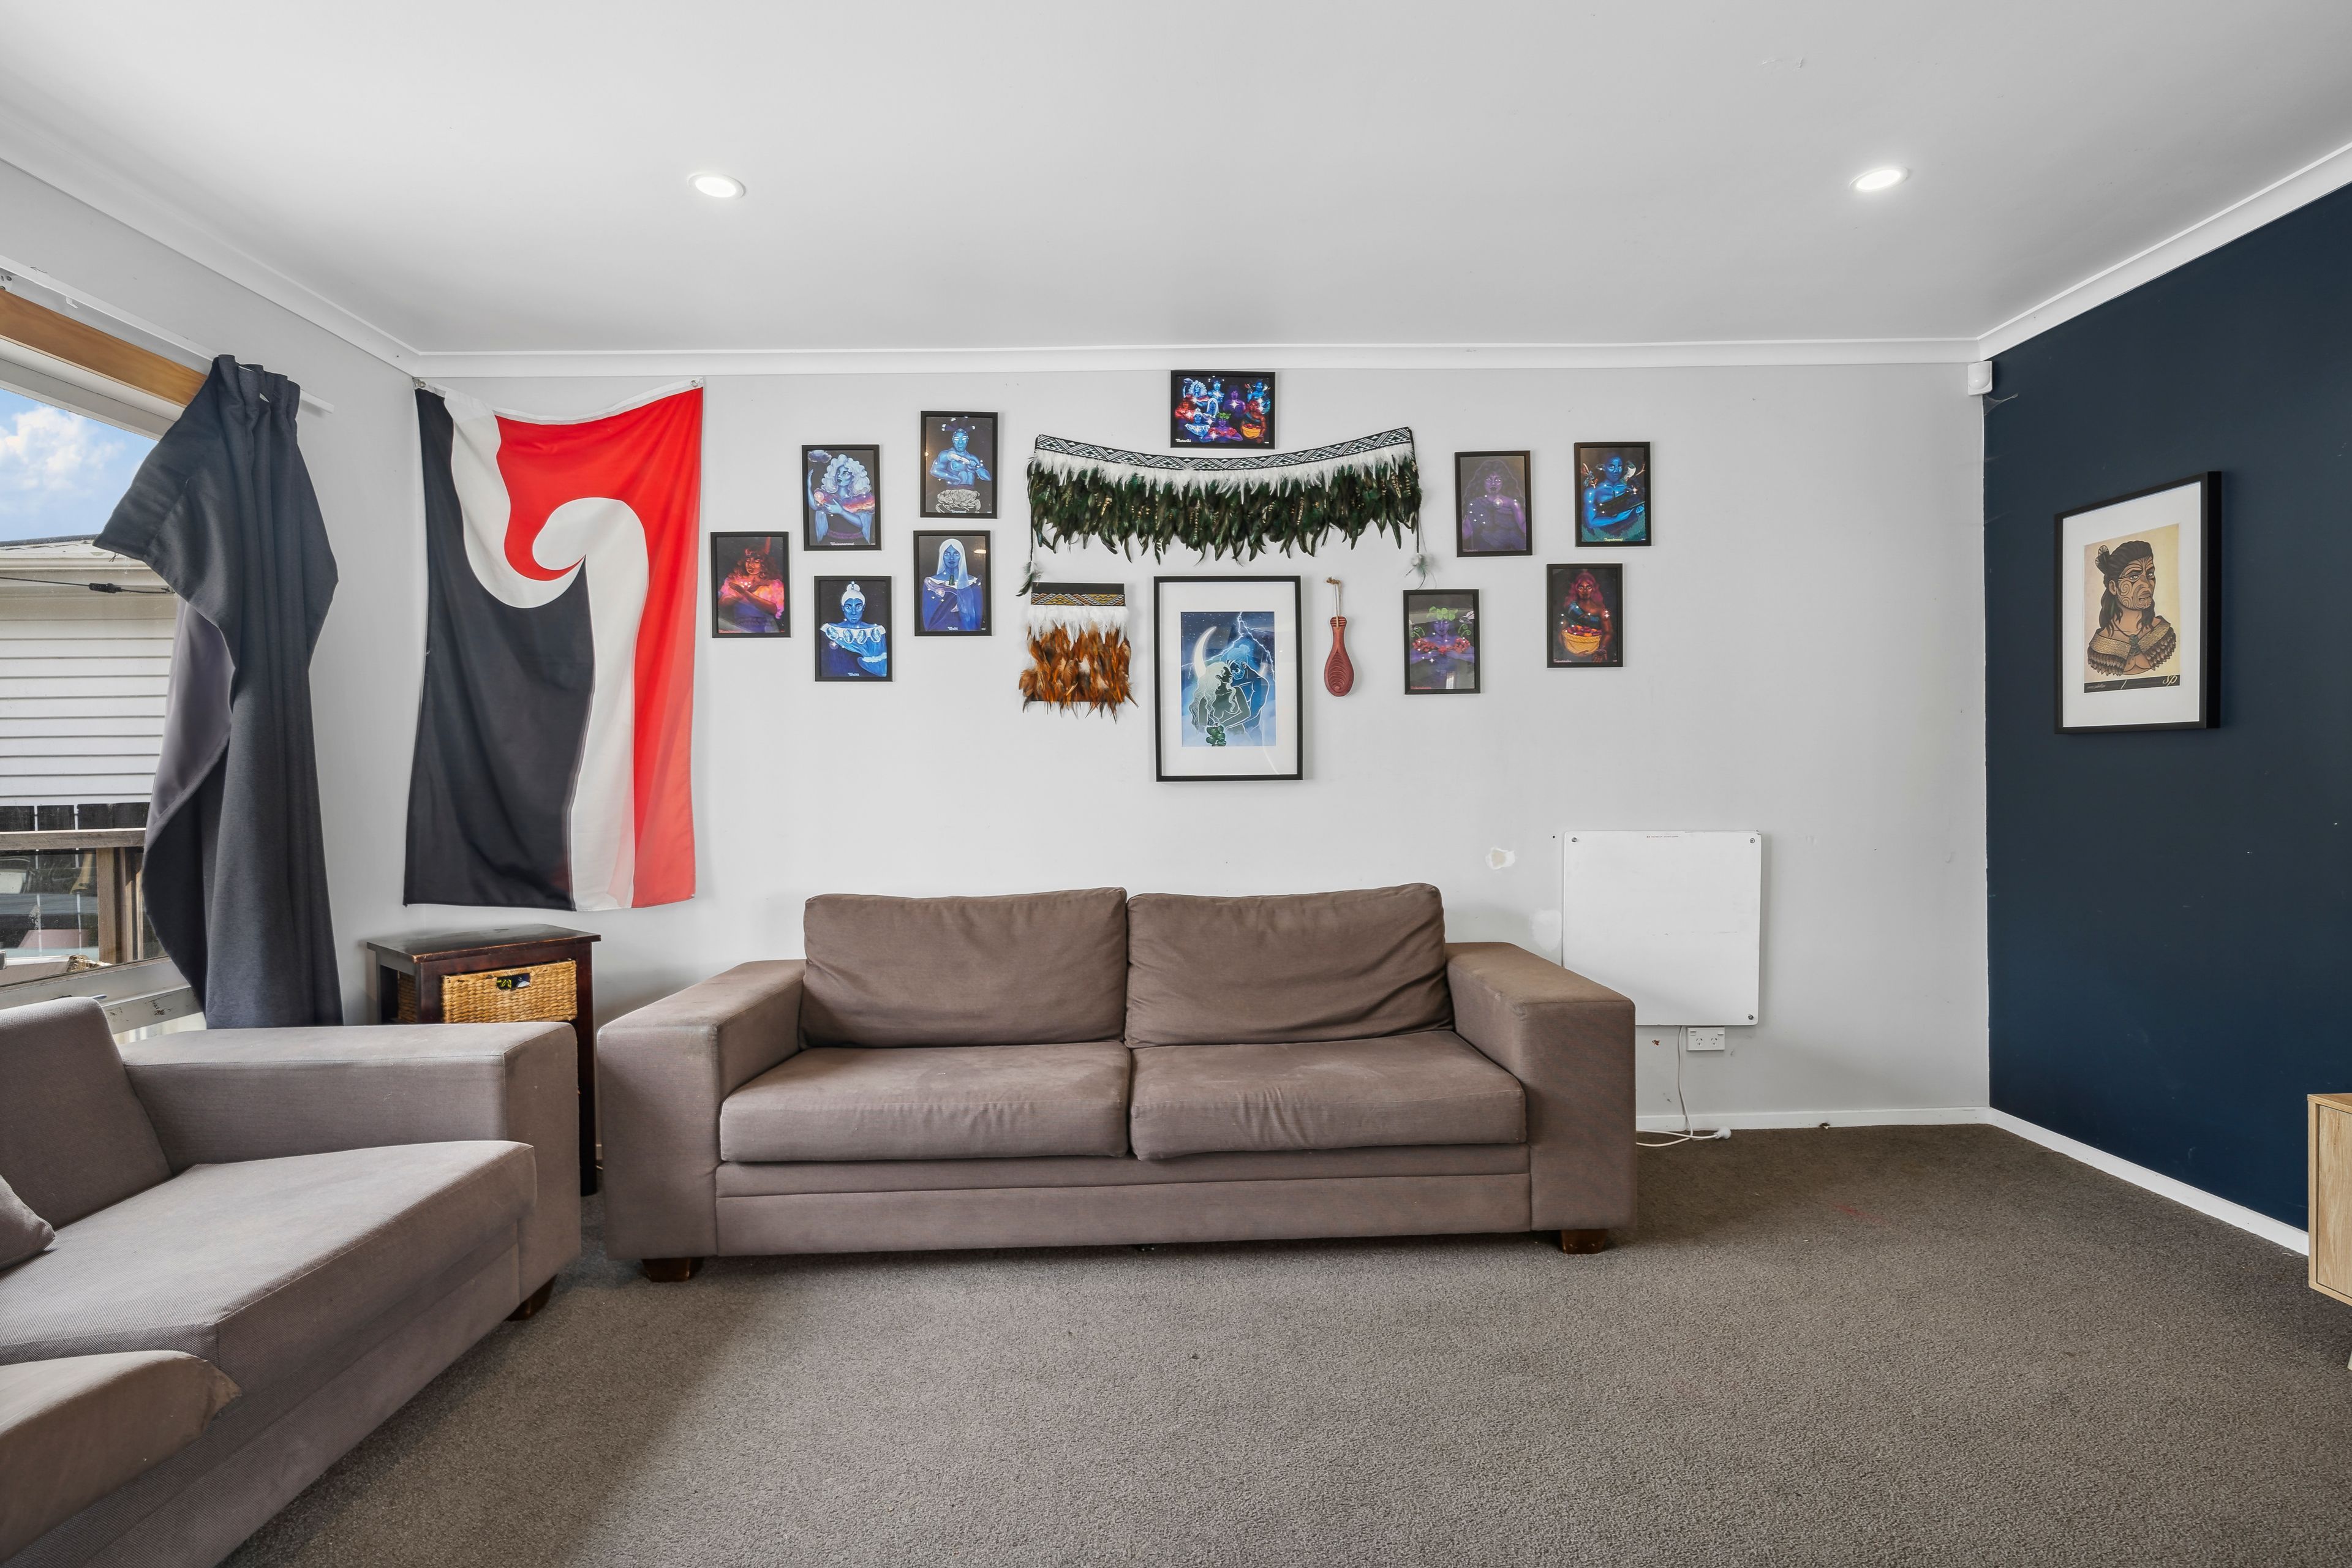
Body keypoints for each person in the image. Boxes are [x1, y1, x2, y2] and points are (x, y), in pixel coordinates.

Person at [2085, 539, 2176, 677]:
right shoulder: (2099, 647)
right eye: (2134, 576)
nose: (2147, 584)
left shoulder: (2164, 634)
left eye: (2150, 574)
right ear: (2114, 587)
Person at [818, 581, 888, 677]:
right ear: (843, 608)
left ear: (864, 607)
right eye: (848, 607)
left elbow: (883, 671)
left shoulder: (876, 631)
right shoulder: (829, 630)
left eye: (858, 606)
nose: (854, 612)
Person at [715, 543, 785, 633]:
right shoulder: (734, 581)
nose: (750, 565)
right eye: (748, 560)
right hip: (738, 630)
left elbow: (773, 610)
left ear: (764, 564)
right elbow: (722, 604)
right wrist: (743, 593)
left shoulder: (773, 585)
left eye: (756, 561)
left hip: (766, 631)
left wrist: (746, 594)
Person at [807, 451, 875, 545]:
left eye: (845, 474)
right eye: (838, 472)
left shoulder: (861, 499)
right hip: (830, 541)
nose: (839, 476)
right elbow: (815, 506)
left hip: (856, 542)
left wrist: (841, 511)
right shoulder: (828, 496)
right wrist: (808, 487)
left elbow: (861, 524)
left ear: (854, 478)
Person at [1581, 450, 1646, 541]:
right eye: (1612, 467)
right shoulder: (1592, 492)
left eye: (1619, 467)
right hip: (1600, 539)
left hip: (1631, 537)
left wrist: (1638, 511)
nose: (1616, 471)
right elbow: (1591, 523)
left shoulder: (1630, 487)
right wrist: (1616, 519)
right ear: (1604, 468)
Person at [921, 537, 983, 631]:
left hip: (967, 634)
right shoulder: (931, 583)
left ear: (962, 555)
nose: (951, 558)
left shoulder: (974, 583)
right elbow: (928, 615)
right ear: (942, 556)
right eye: (947, 554)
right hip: (938, 634)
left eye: (956, 554)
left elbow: (977, 615)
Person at [1461, 466, 1528, 552]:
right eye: (1488, 479)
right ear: (1482, 482)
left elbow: (1523, 526)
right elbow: (1466, 532)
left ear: (1504, 482)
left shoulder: (1512, 503)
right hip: (1483, 552)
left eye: (1498, 480)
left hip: (1511, 551)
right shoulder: (1476, 503)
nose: (1493, 483)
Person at [1556, 570, 1614, 663]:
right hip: (1571, 654)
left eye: (1588, 587)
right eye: (1581, 587)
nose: (1585, 591)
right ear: (1576, 589)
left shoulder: (1601, 611)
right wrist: (1570, 651)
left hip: (1594, 654)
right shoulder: (1571, 607)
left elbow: (1608, 633)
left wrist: (1600, 651)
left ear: (1593, 589)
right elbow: (1561, 631)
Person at [929, 427, 990, 493]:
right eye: (957, 439)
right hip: (953, 494)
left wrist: (976, 468)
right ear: (953, 440)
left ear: (967, 440)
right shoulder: (947, 455)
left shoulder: (973, 458)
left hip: (970, 495)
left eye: (964, 439)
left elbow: (988, 478)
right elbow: (934, 471)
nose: (960, 442)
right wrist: (954, 478)